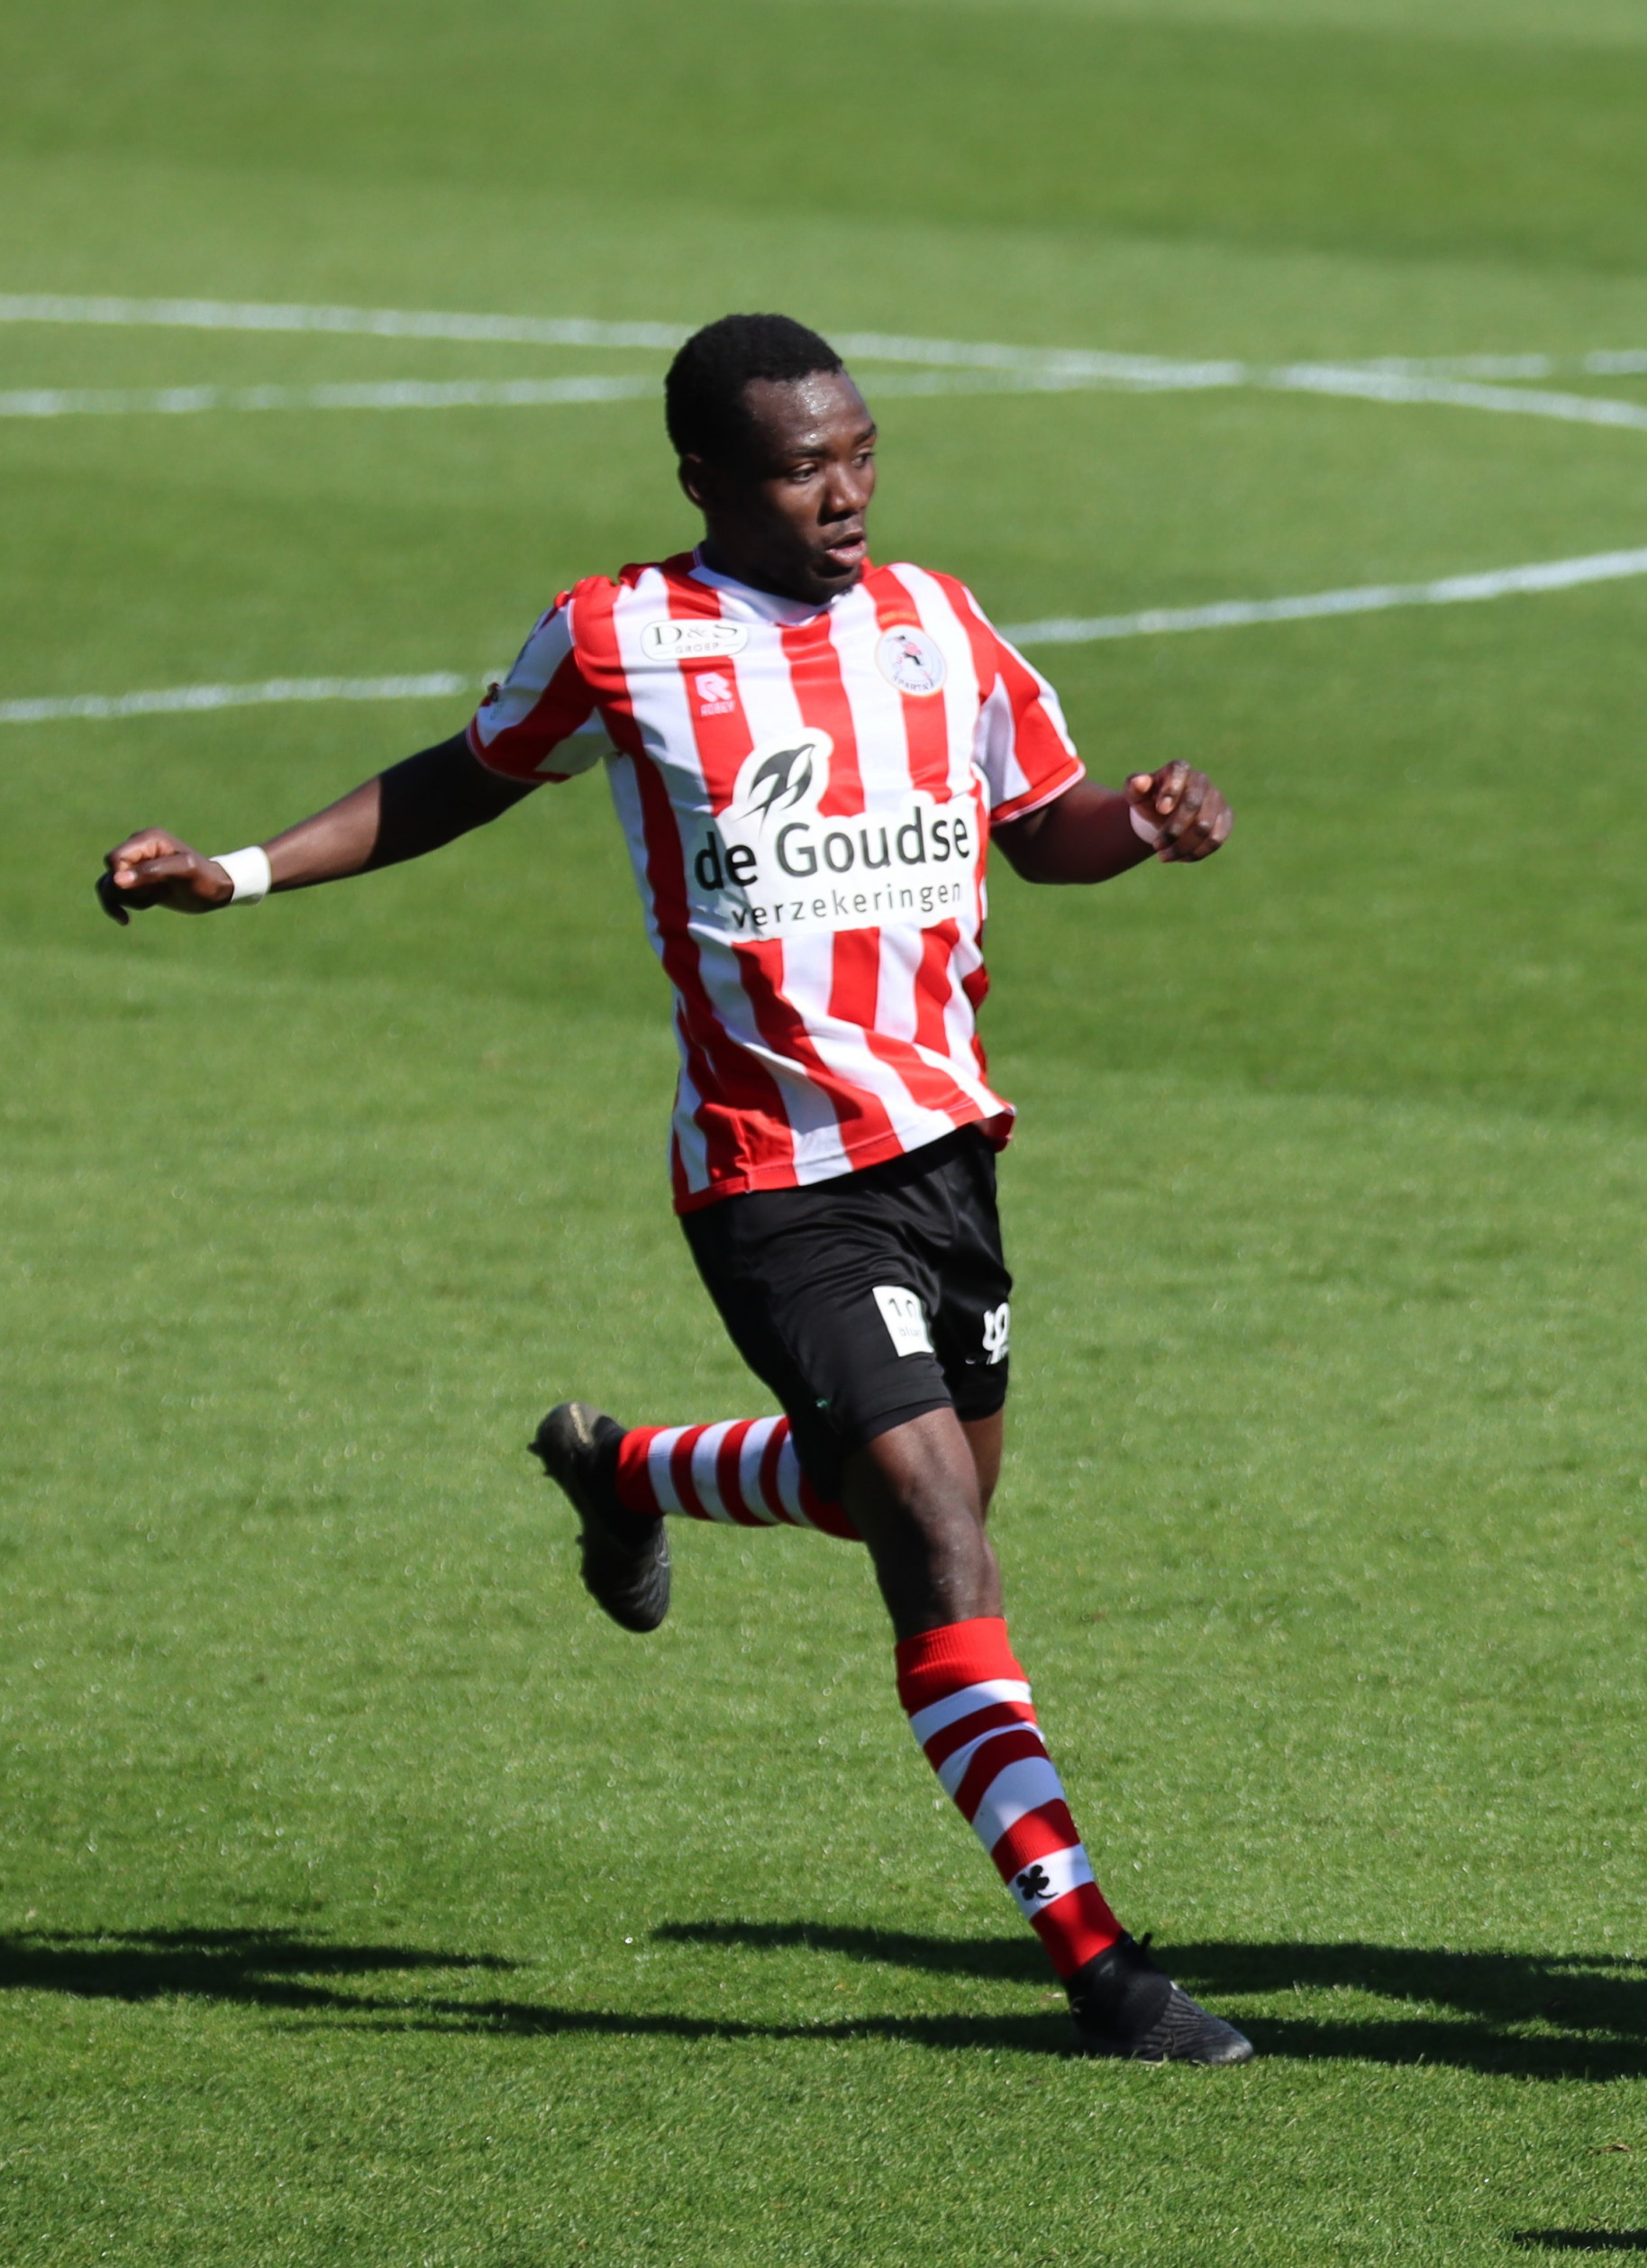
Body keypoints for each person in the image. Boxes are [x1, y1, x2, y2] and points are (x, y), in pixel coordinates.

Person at [94, 314, 1257, 2066]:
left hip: (948, 1152)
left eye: (861, 453)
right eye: (802, 469)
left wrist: (1146, 827)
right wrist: (239, 873)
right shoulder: (621, 636)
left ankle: (626, 1468)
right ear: (706, 479)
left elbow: (1046, 822)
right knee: (938, 1530)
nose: (846, 493)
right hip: (774, 1177)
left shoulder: (940, 626)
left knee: (901, 1499)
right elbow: (459, 779)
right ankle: (1102, 1966)